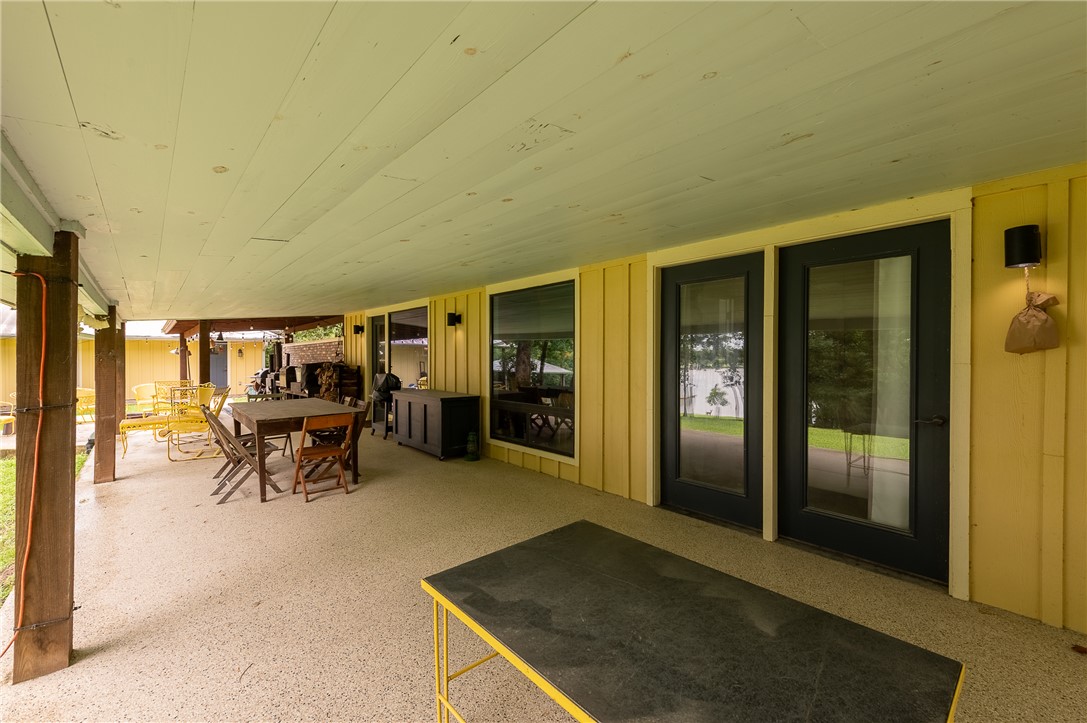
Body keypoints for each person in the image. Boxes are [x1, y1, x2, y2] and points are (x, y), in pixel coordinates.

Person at [370, 363, 401, 438]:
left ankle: (376, 427)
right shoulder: (388, 376)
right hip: (384, 395)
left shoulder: (377, 376)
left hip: (376, 395)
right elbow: (397, 381)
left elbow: (374, 387)